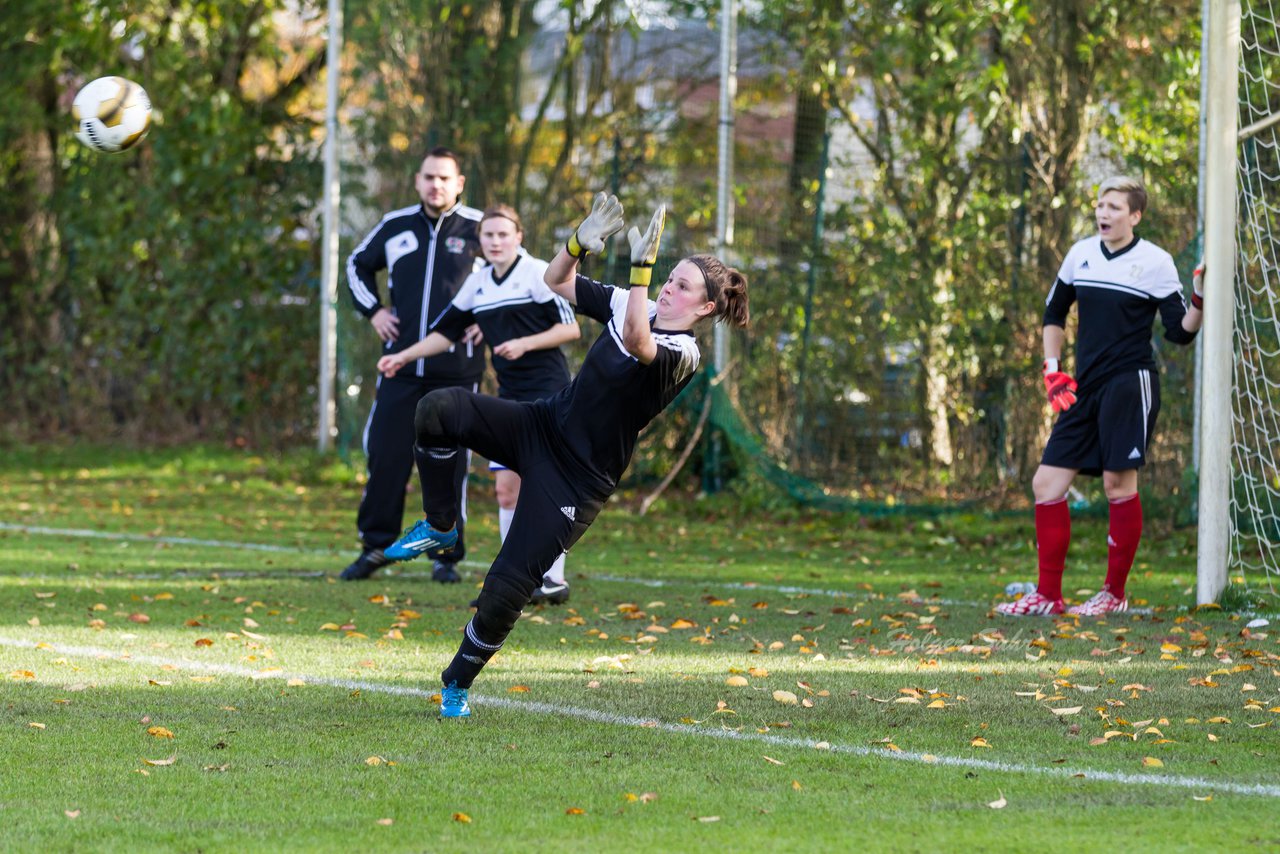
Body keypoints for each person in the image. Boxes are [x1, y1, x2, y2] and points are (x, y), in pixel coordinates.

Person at [378, 191, 750, 717]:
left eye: (682, 286)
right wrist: (579, 242)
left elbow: (642, 344)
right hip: (542, 424)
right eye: (669, 277)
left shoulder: (684, 353)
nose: (669, 287)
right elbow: (555, 281)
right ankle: (441, 525)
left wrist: (640, 271)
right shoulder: (629, 300)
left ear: (706, 308)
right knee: (438, 410)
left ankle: (457, 682)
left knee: (507, 587)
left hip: (577, 480)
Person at [996, 175, 1203, 617]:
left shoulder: (1156, 262)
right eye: (1099, 205)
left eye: (1113, 207)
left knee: (1117, 485)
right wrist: (1053, 371)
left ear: (1135, 215)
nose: (1103, 213)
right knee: (1046, 484)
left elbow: (1178, 334)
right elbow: (1054, 313)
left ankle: (1113, 594)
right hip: (1083, 388)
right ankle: (1048, 596)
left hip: (1130, 385)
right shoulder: (1081, 254)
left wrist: (1200, 301)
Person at [376, 204, 581, 604]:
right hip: (511, 398)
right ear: (479, 242)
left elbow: (570, 328)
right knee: (506, 490)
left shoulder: (537, 274)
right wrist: (404, 356)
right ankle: (519, 582)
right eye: (488, 235)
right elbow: (445, 333)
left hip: (551, 394)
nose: (496, 242)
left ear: (518, 236)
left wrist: (525, 342)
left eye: (504, 234)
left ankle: (551, 581)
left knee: (545, 490)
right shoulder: (478, 283)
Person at [340, 147, 486, 584]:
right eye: (428, 177)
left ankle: (445, 555)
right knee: (385, 456)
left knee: (450, 466)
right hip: (400, 368)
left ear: (459, 183)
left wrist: (490, 321)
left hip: (457, 373)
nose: (435, 185)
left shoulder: (482, 229)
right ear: (418, 181)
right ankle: (375, 547)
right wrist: (374, 312)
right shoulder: (396, 225)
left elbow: (517, 277)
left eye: (444, 178)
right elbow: (356, 266)